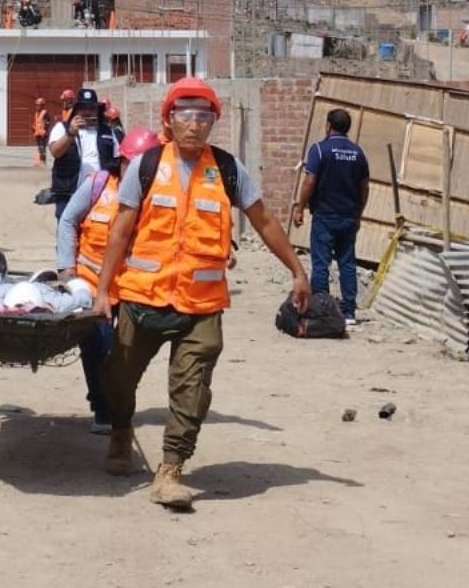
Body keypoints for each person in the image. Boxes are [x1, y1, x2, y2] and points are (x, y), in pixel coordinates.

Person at [94, 77, 312, 510]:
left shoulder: (228, 170)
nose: (195, 125)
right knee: (117, 379)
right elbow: (120, 229)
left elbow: (265, 221)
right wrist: (103, 289)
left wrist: (297, 271)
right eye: (185, 115)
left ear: (214, 121)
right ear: (169, 121)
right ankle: (121, 428)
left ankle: (171, 469)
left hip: (201, 303)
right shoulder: (147, 165)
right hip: (144, 297)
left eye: (204, 116)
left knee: (192, 388)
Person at [58, 127, 161, 433]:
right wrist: (66, 269)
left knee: (125, 352)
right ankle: (103, 406)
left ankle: (114, 399)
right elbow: (67, 221)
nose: (140, 174)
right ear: (122, 162)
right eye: (133, 165)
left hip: (132, 288)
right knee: (96, 345)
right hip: (91, 283)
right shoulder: (98, 185)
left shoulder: (159, 200)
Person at [293, 108, 370, 325]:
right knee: (347, 264)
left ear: (328, 126)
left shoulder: (319, 150)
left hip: (324, 217)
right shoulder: (358, 153)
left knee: (321, 264)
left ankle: (322, 309)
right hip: (348, 217)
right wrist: (359, 213)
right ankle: (349, 312)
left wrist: (300, 208)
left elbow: (309, 181)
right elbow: (364, 186)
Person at [48, 86, 119, 219]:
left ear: (97, 111)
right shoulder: (62, 128)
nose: (87, 112)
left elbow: (117, 160)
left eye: (91, 108)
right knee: (67, 234)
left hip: (100, 195)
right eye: (83, 108)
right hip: (69, 194)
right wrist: (70, 134)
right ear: (76, 110)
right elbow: (55, 152)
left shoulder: (108, 132)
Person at [31, 98, 51, 167]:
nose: (37, 107)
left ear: (42, 106)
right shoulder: (36, 113)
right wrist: (33, 128)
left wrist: (44, 131)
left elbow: (47, 123)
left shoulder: (45, 113)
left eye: (38, 105)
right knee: (39, 147)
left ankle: (43, 161)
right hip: (37, 134)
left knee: (42, 148)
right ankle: (39, 161)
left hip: (43, 134)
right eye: (36, 105)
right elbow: (36, 122)